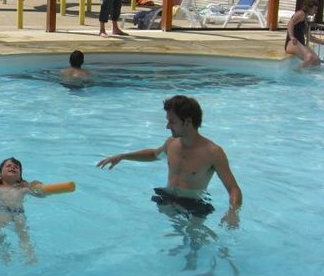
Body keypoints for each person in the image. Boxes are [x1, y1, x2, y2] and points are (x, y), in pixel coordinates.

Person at [97, 95, 243, 227]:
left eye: (172, 121)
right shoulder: (171, 144)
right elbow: (154, 154)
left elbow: (233, 189)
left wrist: (233, 212)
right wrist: (123, 156)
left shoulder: (212, 153)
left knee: (195, 242)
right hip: (167, 198)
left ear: (187, 122)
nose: (167, 126)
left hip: (194, 205)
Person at [0, 157, 43, 263]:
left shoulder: (23, 187)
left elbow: (41, 195)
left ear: (20, 176)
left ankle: (30, 256)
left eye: (16, 167)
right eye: (9, 166)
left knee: (23, 234)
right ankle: (3, 251)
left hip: (19, 213)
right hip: (2, 211)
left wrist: (36, 186)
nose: (13, 167)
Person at [285, 0, 322, 68]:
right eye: (314, 9)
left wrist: (322, 42)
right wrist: (292, 36)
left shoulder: (305, 19)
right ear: (309, 7)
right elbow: (290, 23)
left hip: (300, 44)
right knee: (309, 57)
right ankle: (297, 72)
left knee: (317, 61)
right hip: (292, 43)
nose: (316, 12)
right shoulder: (301, 13)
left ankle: (307, 73)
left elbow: (310, 37)